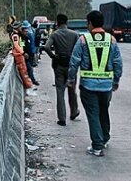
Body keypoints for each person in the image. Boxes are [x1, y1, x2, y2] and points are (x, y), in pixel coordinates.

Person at [67, 10, 123, 157]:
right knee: (104, 111)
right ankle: (104, 138)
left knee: (93, 114)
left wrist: (71, 79)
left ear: (90, 23)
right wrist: (116, 80)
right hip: (106, 86)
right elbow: (118, 63)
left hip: (88, 86)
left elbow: (74, 62)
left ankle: (97, 146)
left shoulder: (83, 40)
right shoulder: (111, 40)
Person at [43, 14, 80, 126]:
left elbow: (47, 47)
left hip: (59, 66)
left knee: (60, 91)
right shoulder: (74, 35)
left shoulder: (55, 34)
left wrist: (53, 57)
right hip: (71, 66)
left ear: (57, 22)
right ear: (67, 22)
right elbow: (79, 50)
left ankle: (62, 118)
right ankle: (74, 112)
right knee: (72, 90)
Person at [20, 21, 39, 85]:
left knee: (30, 68)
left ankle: (31, 80)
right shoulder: (22, 39)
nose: (27, 31)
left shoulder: (28, 36)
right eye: (25, 30)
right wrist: (24, 53)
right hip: (26, 55)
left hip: (30, 53)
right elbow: (22, 46)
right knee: (29, 69)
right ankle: (32, 81)